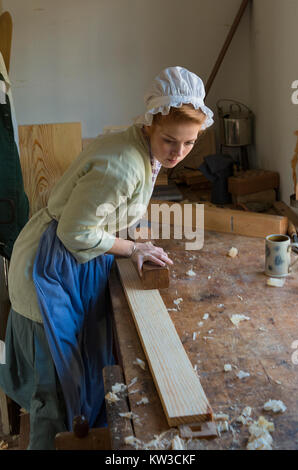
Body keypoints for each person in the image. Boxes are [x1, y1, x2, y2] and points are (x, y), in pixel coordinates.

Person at [0, 66, 213, 449]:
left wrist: (135, 235)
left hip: (69, 261)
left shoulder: (137, 145)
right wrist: (134, 248)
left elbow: (109, 210)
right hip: (49, 269)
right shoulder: (124, 164)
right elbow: (75, 232)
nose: (178, 153)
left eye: (189, 143)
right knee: (52, 396)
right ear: (150, 123)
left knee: (74, 382)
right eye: (170, 141)